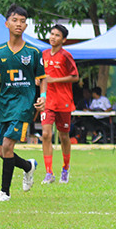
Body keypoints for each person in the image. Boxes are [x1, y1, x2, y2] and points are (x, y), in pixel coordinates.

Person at [0, 4, 45, 202]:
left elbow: (42, 78)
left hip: (24, 104)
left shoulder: (34, 52)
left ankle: (5, 192)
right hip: (5, 105)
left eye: (23, 21)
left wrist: (43, 96)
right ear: (6, 23)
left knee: (8, 145)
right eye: (15, 20)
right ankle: (28, 166)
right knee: (2, 151)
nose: (19, 24)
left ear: (26, 26)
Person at [40, 24, 79, 184]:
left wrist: (55, 79)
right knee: (46, 134)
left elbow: (75, 76)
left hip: (63, 101)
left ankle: (65, 168)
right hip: (47, 101)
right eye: (52, 34)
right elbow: (39, 75)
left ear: (63, 39)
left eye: (57, 35)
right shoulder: (43, 54)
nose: (53, 37)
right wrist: (38, 81)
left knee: (64, 136)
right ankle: (49, 172)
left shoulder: (66, 56)